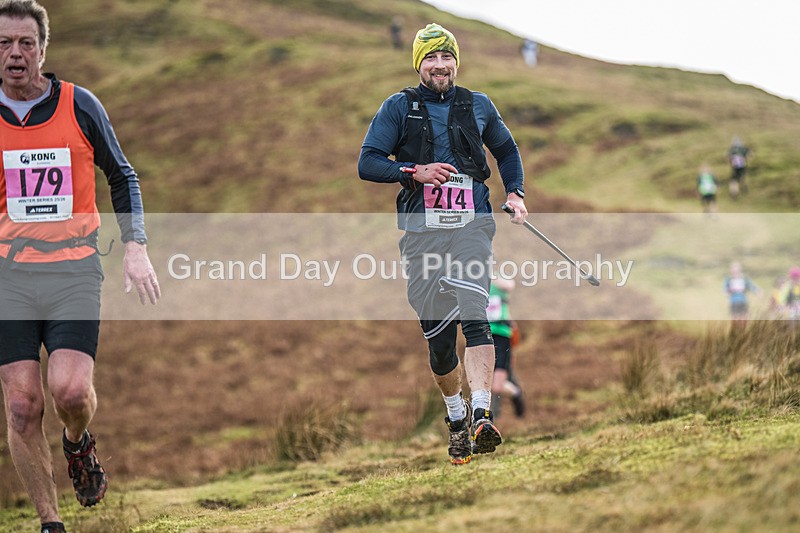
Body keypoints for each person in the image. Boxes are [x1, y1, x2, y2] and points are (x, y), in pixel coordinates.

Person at [0, 2, 160, 532]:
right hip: (9, 276)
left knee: (69, 392)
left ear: (43, 49)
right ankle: (50, 524)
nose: (15, 53)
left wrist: (134, 245)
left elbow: (123, 175)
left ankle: (77, 442)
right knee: (22, 406)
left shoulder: (79, 104)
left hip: (73, 269)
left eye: (26, 43)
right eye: (4, 43)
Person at [358, 22, 528, 465]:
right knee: (438, 339)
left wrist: (514, 192)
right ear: (419, 63)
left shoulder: (479, 105)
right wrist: (413, 171)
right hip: (421, 232)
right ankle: (455, 420)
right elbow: (368, 162)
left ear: (456, 60)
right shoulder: (398, 107)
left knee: (475, 311)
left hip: (472, 223)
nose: (440, 65)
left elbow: (507, 152)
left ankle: (481, 416)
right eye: (431, 58)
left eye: (446, 56)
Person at [487, 275, 525, 418]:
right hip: (480, 336)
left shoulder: (498, 281)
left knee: (496, 386)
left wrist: (488, 274)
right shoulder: (476, 283)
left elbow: (509, 285)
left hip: (502, 334)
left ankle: (516, 393)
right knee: (486, 380)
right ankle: (489, 420)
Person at [723, 262, 759, 326]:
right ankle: (735, 331)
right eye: (734, 271)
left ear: (740, 271)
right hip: (734, 302)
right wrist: (727, 292)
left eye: (737, 271)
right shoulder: (729, 279)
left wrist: (757, 292)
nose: (735, 272)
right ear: (731, 271)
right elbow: (725, 290)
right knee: (735, 319)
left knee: (744, 318)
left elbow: (751, 286)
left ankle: (743, 331)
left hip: (743, 301)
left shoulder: (744, 279)